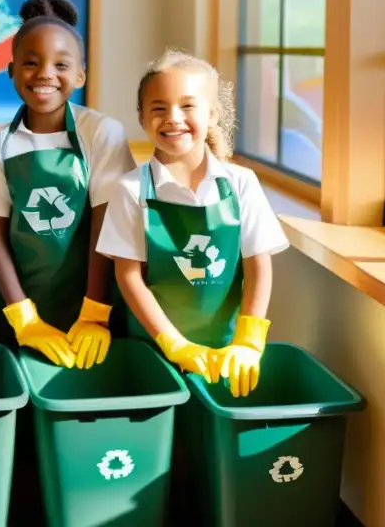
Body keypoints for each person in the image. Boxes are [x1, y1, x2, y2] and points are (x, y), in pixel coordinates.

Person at [97, 49, 289, 397]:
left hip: (225, 351)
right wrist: (173, 344)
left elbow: (258, 264)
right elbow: (128, 276)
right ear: (142, 118)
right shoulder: (130, 189)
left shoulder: (241, 183)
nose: (173, 118)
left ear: (212, 115)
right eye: (159, 108)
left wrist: (248, 340)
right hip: (154, 347)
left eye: (188, 106)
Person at [0, 0, 135, 369]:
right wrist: (23, 317)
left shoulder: (101, 132)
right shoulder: (0, 144)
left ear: (80, 75)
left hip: (94, 301)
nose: (45, 73)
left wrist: (95, 311)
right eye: (30, 63)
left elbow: (107, 225)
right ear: (12, 71)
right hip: (22, 304)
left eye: (60, 64)